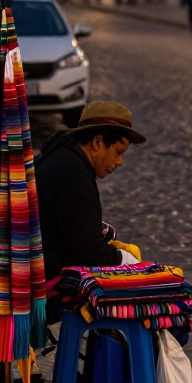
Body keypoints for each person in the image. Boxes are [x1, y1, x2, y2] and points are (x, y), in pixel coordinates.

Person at [35, 102, 146, 297]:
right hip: (47, 276)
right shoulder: (73, 173)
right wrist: (127, 260)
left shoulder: (64, 158)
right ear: (97, 143)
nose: (119, 162)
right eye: (119, 152)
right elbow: (91, 253)